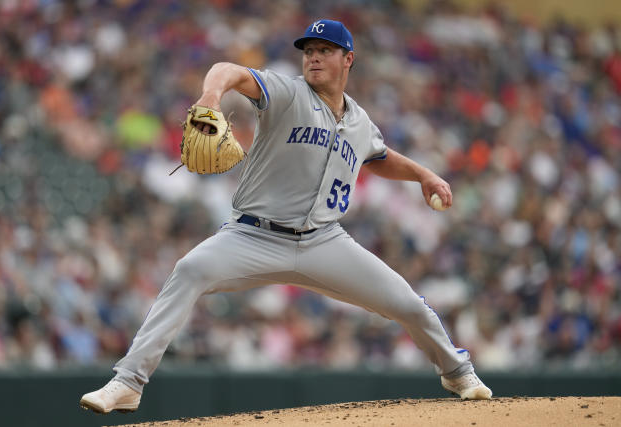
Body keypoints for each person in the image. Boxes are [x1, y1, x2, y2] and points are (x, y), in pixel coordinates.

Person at [80, 19, 492, 414]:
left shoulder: (359, 121)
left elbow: (378, 156)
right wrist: (211, 95)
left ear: (348, 58)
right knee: (189, 270)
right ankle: (129, 383)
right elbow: (229, 70)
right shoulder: (287, 92)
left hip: (323, 241)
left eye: (324, 50)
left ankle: (458, 373)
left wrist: (423, 174)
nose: (312, 57)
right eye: (308, 51)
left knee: (407, 303)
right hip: (252, 236)